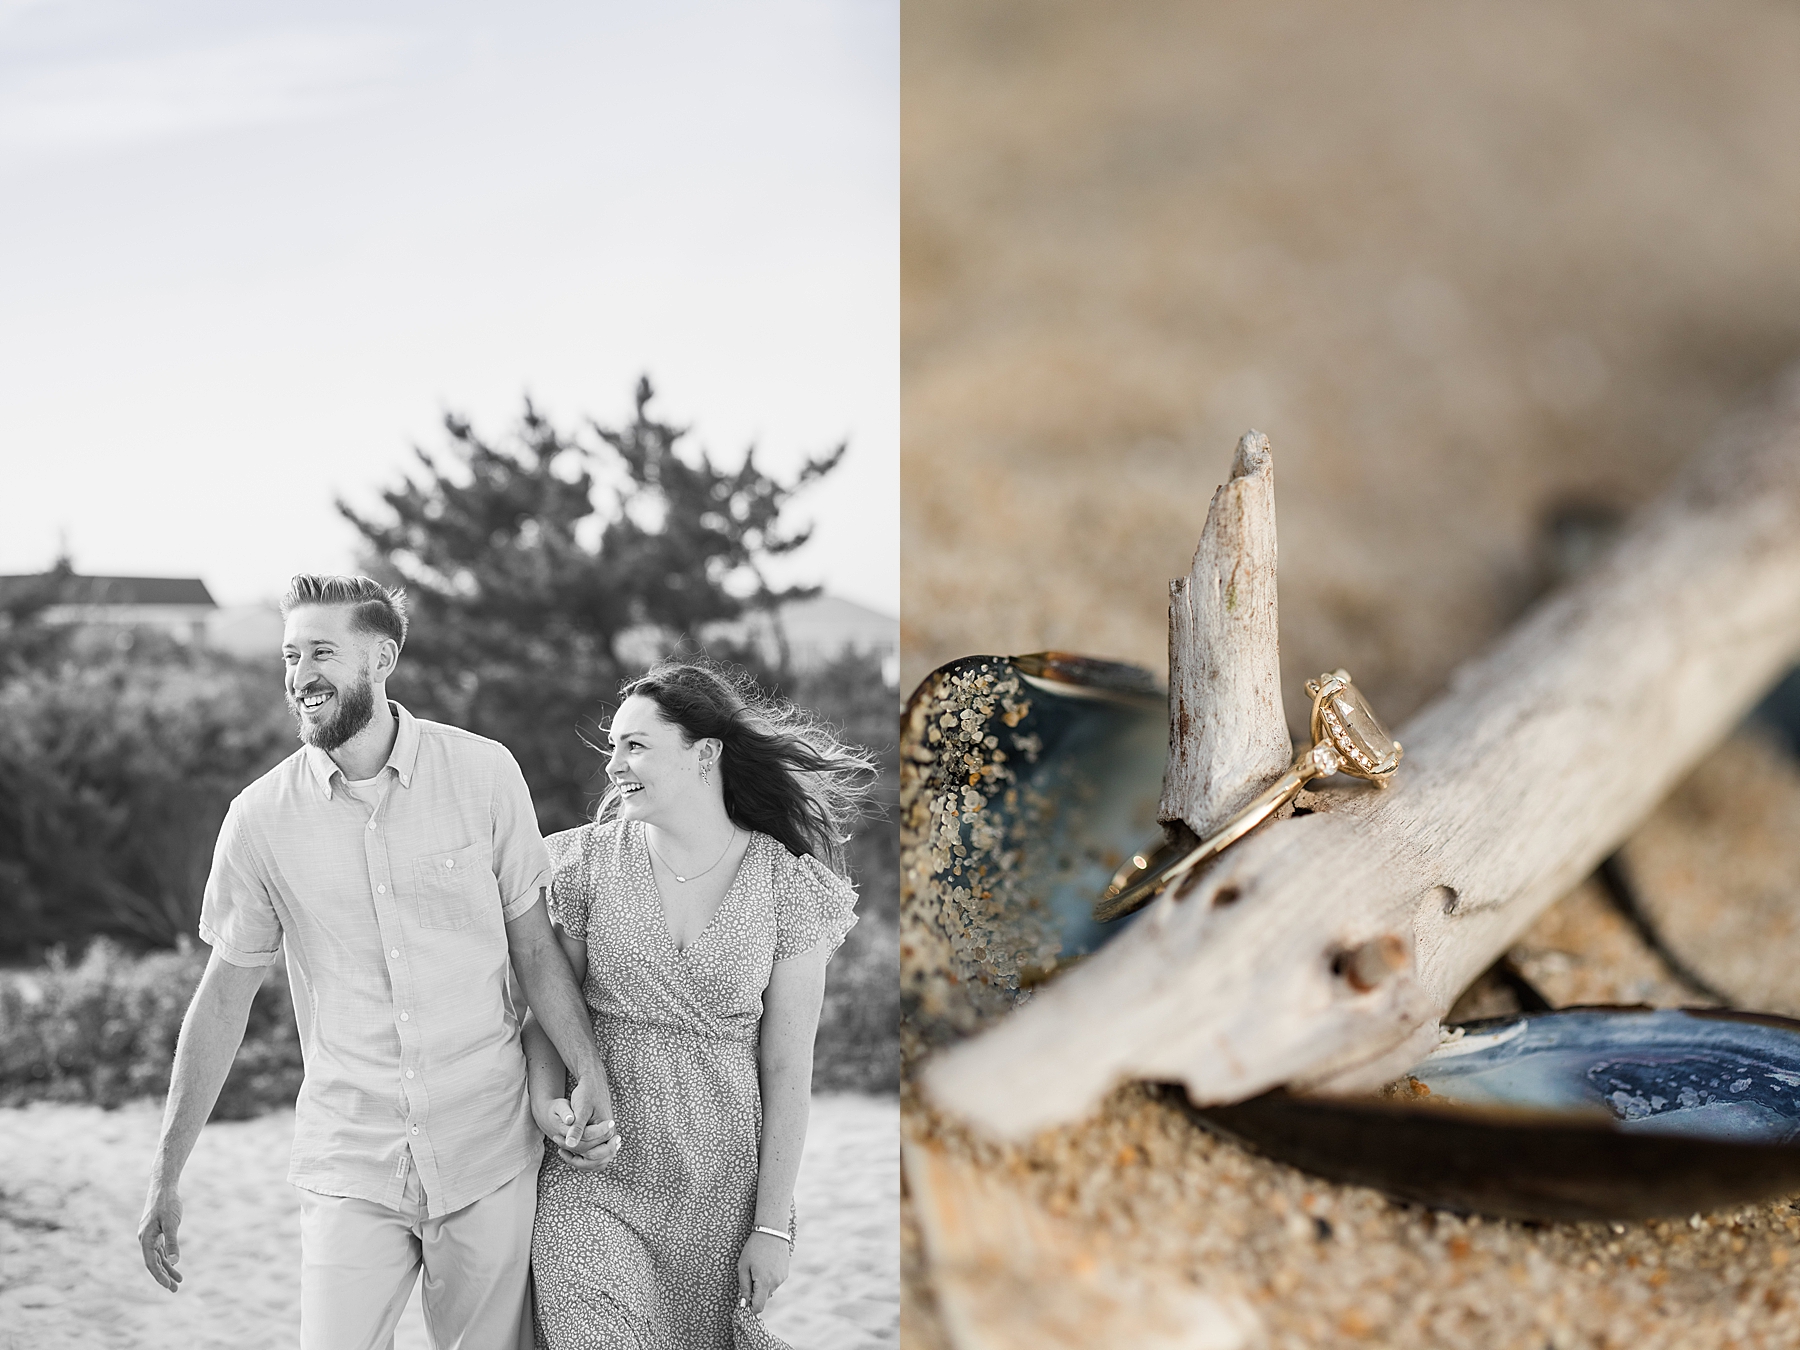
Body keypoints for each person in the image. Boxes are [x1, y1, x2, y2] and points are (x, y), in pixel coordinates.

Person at [137, 574, 614, 1350]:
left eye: (322, 652)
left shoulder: (485, 773)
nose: (300, 677)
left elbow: (533, 944)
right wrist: (166, 1173)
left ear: (382, 657)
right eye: (290, 656)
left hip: (484, 1143)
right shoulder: (258, 820)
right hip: (350, 1156)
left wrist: (586, 1064)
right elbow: (223, 997)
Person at [523, 660, 876, 1350]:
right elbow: (548, 1006)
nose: (614, 766)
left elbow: (786, 1071)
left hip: (719, 1192)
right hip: (595, 1180)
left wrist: (770, 1224)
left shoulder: (788, 886)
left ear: (704, 754)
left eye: (636, 746)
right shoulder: (587, 864)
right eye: (613, 747)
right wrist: (545, 1102)